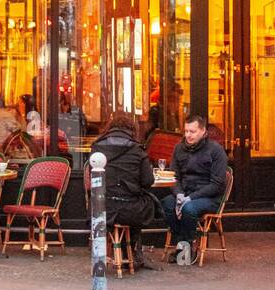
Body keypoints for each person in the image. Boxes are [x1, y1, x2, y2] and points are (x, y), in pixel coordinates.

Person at [95, 110, 161, 270]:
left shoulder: (97, 147)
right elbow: (148, 181)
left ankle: (124, 253)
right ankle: (134, 254)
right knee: (146, 203)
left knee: (134, 202)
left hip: (103, 208)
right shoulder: (138, 150)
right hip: (131, 210)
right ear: (132, 130)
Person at [161, 115, 227, 263]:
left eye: (192, 131)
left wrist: (189, 198)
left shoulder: (216, 150)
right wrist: (178, 195)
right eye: (186, 131)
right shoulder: (179, 148)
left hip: (209, 197)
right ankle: (184, 243)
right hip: (184, 193)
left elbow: (216, 184)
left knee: (188, 209)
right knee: (166, 204)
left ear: (203, 131)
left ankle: (186, 247)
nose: (188, 135)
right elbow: (174, 176)